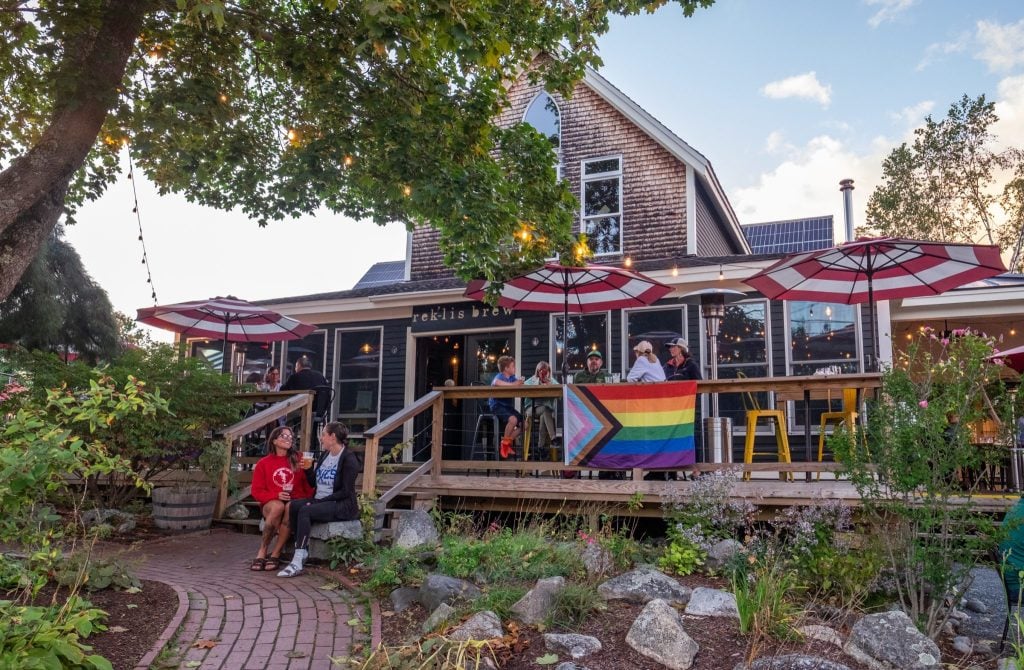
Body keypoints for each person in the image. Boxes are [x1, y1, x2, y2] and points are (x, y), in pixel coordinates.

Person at [275, 422, 361, 577]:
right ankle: (303, 550)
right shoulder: (325, 455)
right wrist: (308, 471)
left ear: (332, 437)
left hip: (340, 504)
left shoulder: (349, 459)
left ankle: (297, 560)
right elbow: (314, 483)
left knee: (306, 510)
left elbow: (345, 492)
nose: (321, 439)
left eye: (323, 435)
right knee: (294, 506)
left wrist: (319, 502)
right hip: (321, 500)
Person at [249, 426, 314, 572]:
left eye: (290, 436)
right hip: (272, 502)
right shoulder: (263, 463)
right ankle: (262, 551)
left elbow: (309, 485)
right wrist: (276, 495)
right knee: (278, 506)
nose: (288, 439)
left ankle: (276, 553)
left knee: (290, 508)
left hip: (294, 499)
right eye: (284, 436)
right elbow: (256, 491)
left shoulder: (299, 458)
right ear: (274, 441)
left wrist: (309, 473)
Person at [489, 355, 524, 459]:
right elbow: (495, 383)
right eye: (513, 366)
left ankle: (506, 443)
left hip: (508, 407)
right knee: (513, 420)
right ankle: (504, 445)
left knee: (525, 424)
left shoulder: (512, 378)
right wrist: (514, 384)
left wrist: (520, 383)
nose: (515, 369)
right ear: (506, 368)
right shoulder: (500, 376)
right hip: (497, 405)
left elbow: (518, 384)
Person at [524, 361, 559, 456]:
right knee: (545, 409)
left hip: (544, 411)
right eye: (541, 371)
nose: (543, 373)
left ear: (549, 372)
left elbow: (559, 390)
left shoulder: (551, 380)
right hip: (531, 409)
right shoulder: (533, 379)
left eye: (545, 371)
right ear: (537, 371)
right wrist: (537, 385)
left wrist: (550, 385)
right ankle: (553, 438)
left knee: (545, 413)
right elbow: (524, 386)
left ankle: (540, 447)